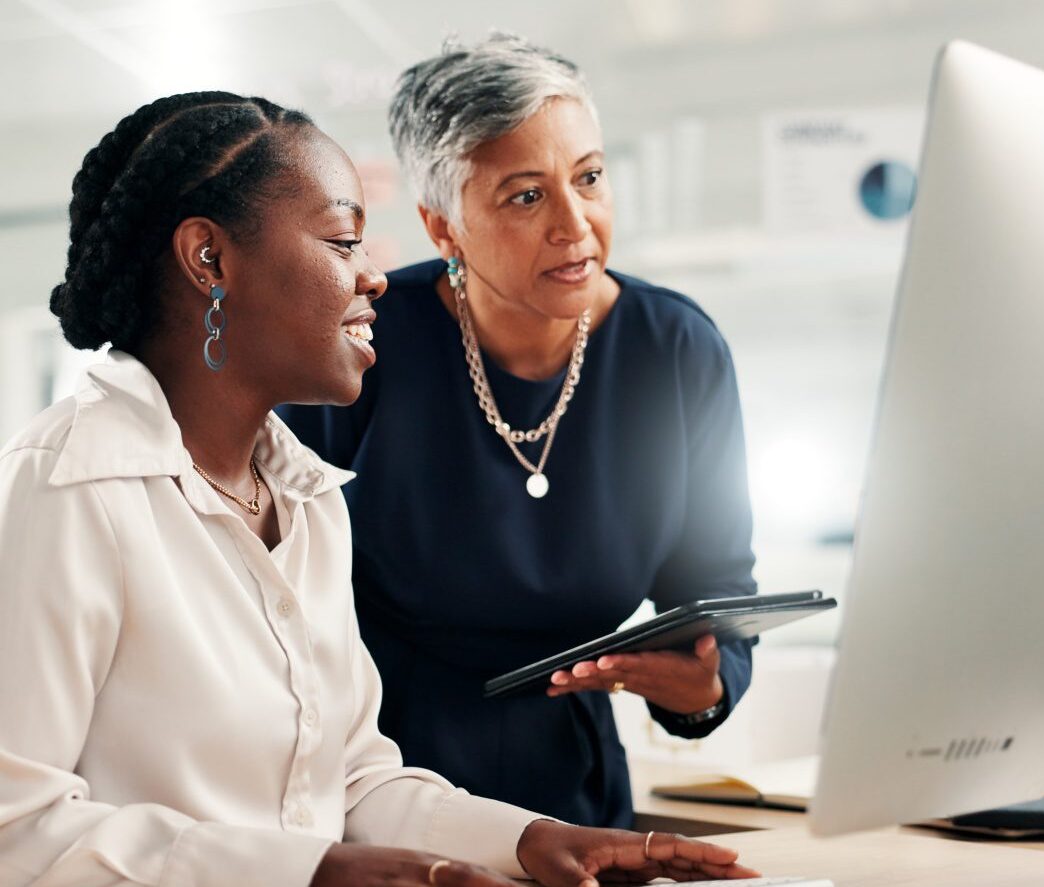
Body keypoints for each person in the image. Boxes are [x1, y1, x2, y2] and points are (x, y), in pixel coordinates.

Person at [0, 92, 759, 887]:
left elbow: (354, 780)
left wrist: (532, 837)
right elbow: (18, 828)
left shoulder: (306, 495)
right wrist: (315, 870)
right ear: (210, 260)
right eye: (341, 241)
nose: (375, 276)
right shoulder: (66, 487)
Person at [279, 35, 759, 829]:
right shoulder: (361, 341)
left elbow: (718, 593)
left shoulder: (676, 349)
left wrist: (705, 686)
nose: (577, 225)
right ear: (444, 227)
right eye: (526, 196)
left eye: (591, 178)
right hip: (376, 787)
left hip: (575, 793)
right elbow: (274, 595)